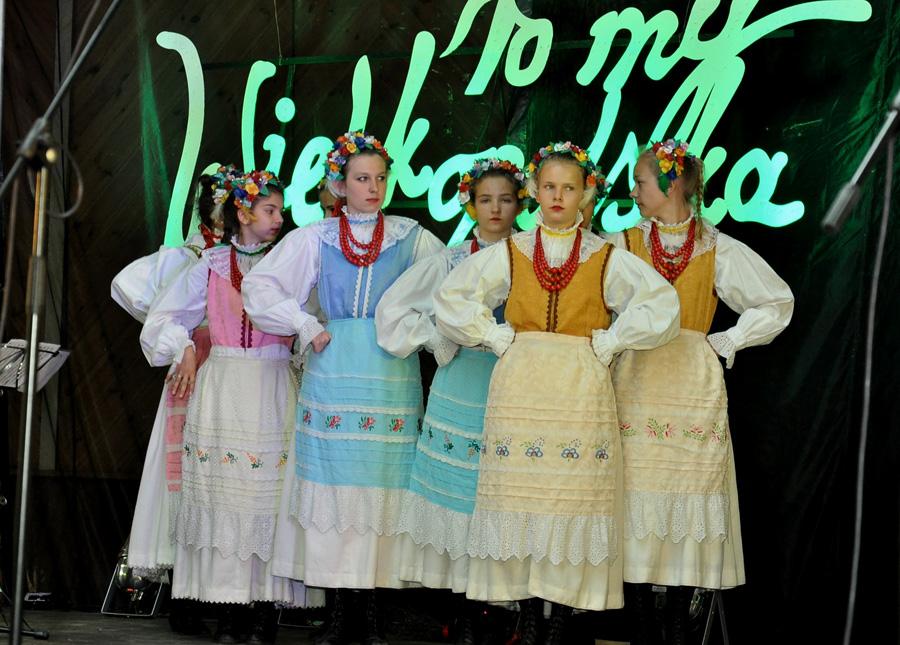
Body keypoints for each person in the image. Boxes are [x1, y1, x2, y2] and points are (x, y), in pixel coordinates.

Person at [433, 141, 680, 644]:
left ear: (586, 193)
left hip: (578, 386)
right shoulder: (512, 251)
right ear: (535, 191)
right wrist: (491, 334)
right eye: (548, 187)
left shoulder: (605, 256)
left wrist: (614, 339)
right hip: (521, 385)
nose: (557, 197)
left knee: (569, 500)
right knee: (521, 498)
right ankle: (527, 614)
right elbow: (452, 297)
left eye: (568, 188)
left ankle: (560, 618)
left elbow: (661, 305)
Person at [241, 131, 445, 645]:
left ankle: (370, 616)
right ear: (340, 184)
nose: (373, 188)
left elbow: (452, 289)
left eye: (380, 178)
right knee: (333, 491)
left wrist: (417, 332)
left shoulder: (412, 237)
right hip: (333, 373)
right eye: (362, 178)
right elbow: (260, 285)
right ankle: (336, 615)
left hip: (389, 378)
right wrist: (304, 323)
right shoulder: (317, 238)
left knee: (380, 492)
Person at [606, 139, 794, 645]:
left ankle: (676, 626)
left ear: (672, 185)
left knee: (686, 497)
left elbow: (776, 301)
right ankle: (643, 626)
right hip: (637, 380)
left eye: (641, 182)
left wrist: (729, 338)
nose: (634, 191)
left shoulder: (716, 247)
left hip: (692, 384)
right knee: (635, 499)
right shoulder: (622, 243)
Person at [141, 170, 305, 643]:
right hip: (225, 384)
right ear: (243, 212)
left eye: (279, 210)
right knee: (224, 498)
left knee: (266, 500)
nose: (278, 218)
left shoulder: (289, 261)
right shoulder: (211, 263)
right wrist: (185, 347)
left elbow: (312, 315)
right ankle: (229, 609)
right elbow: (164, 316)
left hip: (271, 382)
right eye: (269, 210)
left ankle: (263, 611)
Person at [375, 159, 526, 644]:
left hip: (515, 385)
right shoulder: (451, 259)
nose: (495, 209)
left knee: (504, 494)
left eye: (505, 199)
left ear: (520, 203)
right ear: (470, 204)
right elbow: (394, 308)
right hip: (462, 382)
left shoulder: (532, 255)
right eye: (485, 199)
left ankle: (500, 609)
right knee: (460, 497)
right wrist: (437, 337)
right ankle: (462, 609)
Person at [111, 166, 237, 635]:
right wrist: (180, 340)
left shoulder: (253, 258)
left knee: (231, 478)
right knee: (184, 481)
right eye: (219, 209)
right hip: (195, 370)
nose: (226, 217)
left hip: (238, 369)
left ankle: (228, 593)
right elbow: (131, 290)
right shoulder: (187, 258)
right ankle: (185, 596)